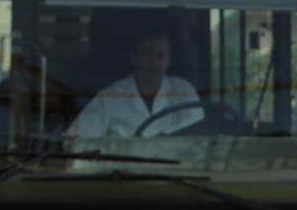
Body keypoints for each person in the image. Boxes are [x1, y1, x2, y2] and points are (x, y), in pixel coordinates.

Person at [68, 31, 202, 138]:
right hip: (123, 171)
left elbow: (199, 136)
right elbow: (75, 138)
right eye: (147, 54)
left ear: (168, 59)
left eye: (160, 54)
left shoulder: (183, 91)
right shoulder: (111, 96)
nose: (154, 61)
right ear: (134, 57)